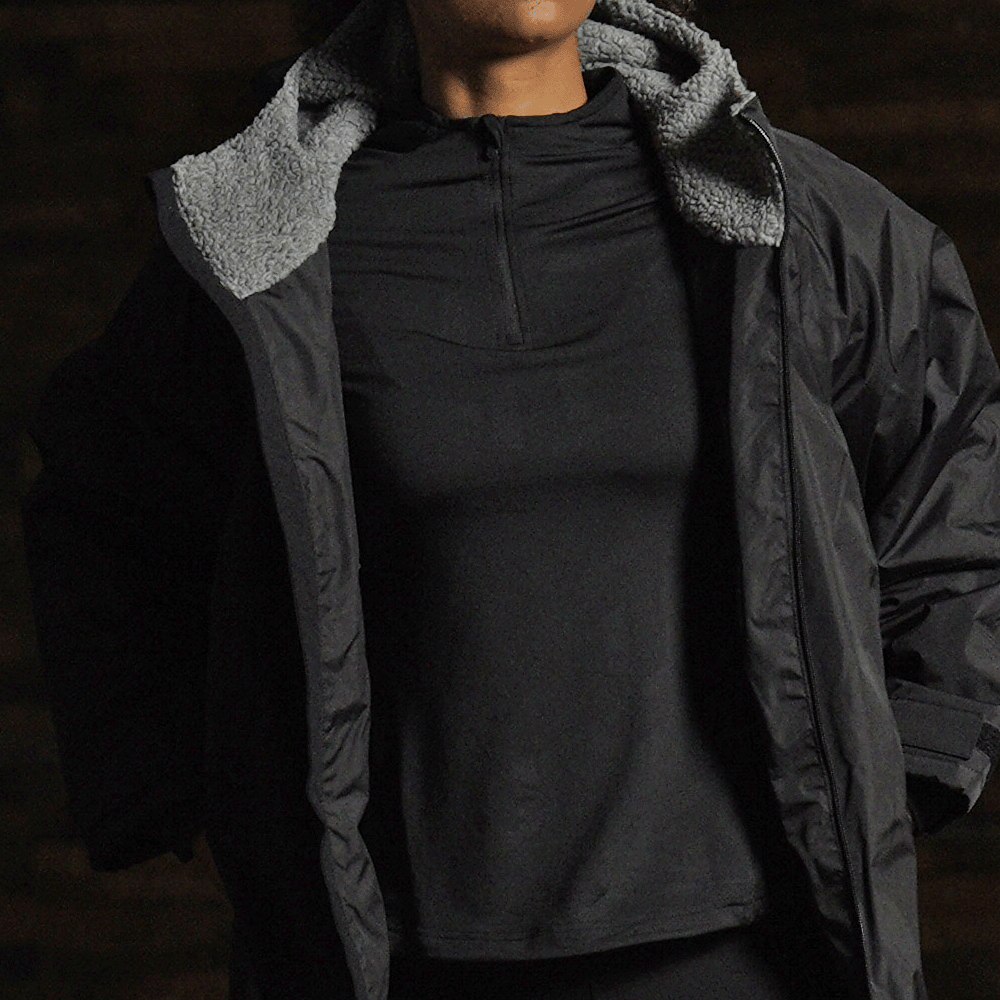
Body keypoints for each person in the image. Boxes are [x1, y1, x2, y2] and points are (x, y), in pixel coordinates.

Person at [21, 0, 1000, 997]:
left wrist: (921, 743)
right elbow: (105, 503)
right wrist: (187, 783)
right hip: (407, 956)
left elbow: (948, 448)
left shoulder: (790, 215)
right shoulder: (262, 246)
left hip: (749, 948)